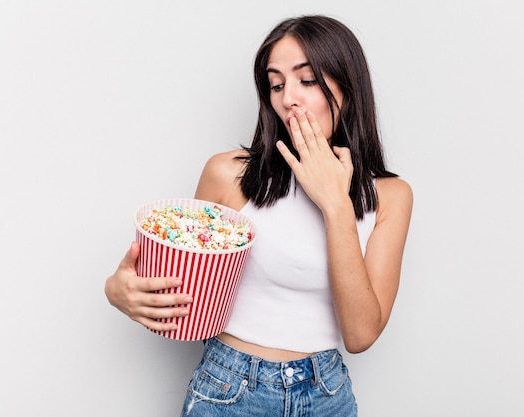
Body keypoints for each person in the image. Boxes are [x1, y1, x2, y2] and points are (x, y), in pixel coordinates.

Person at [105, 14, 413, 417]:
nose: (288, 99)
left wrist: (336, 203)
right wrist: (117, 289)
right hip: (228, 388)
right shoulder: (229, 174)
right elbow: (180, 287)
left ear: (348, 88)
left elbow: (360, 334)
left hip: (326, 394)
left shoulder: (390, 196)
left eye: (307, 80)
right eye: (276, 84)